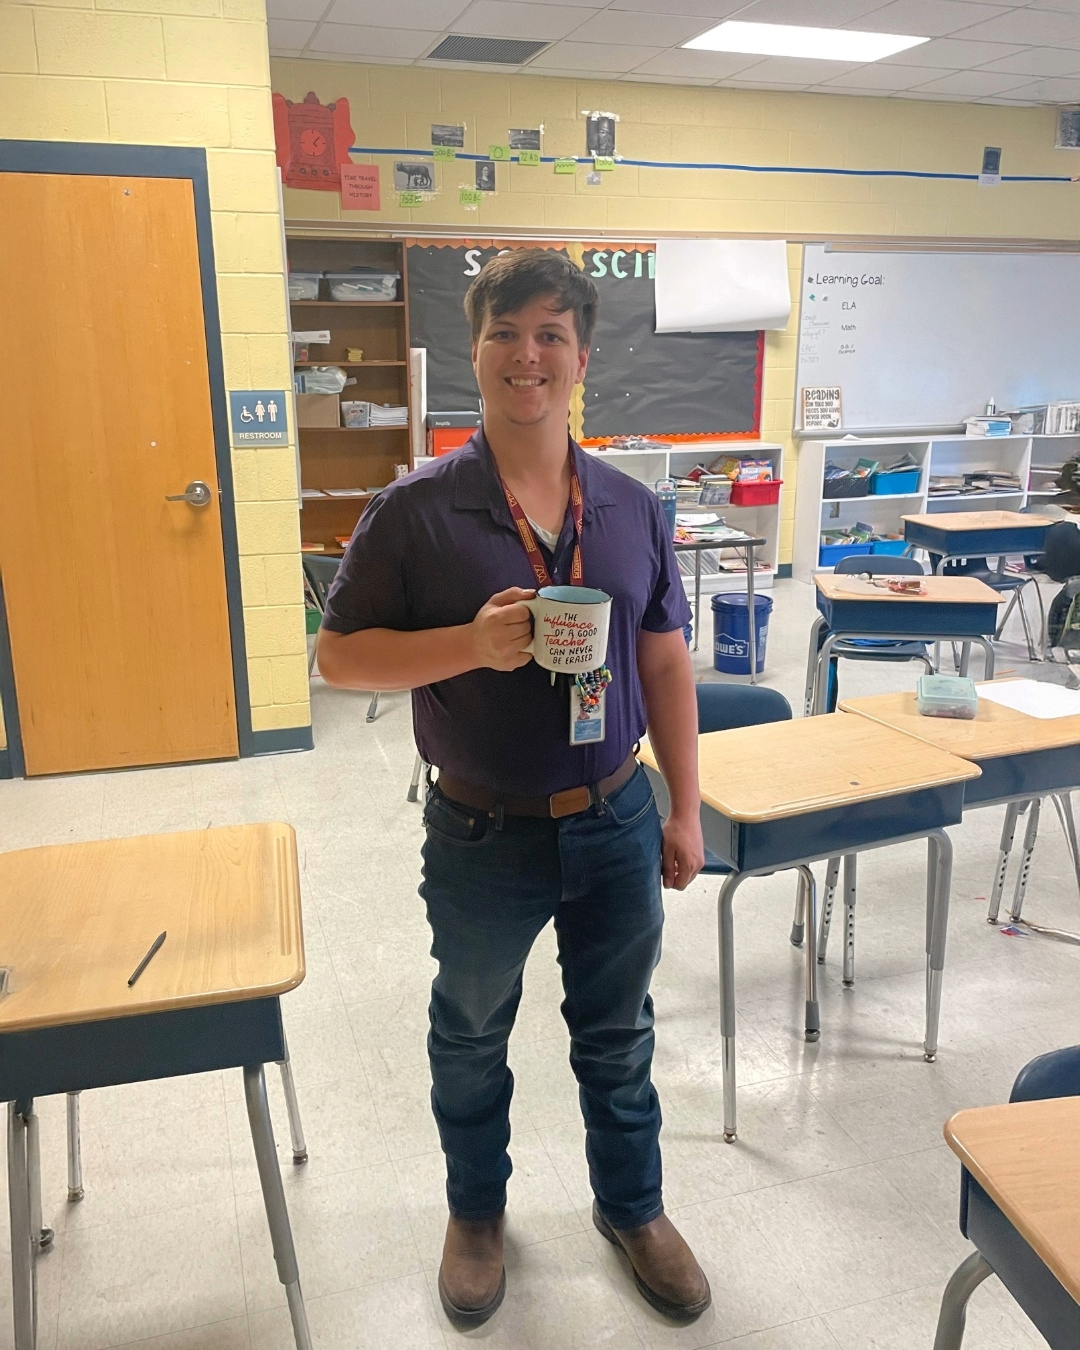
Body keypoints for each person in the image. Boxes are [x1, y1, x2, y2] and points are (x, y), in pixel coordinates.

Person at [317, 250, 709, 1329]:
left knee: (620, 1034)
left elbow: (665, 658)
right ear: (475, 352)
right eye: (505, 333)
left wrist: (682, 804)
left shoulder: (631, 505)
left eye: (550, 335)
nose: (527, 355)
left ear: (581, 360)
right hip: (483, 830)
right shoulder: (415, 509)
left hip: (618, 816)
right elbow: (339, 660)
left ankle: (633, 1209)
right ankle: (476, 1214)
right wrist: (468, 646)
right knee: (473, 1031)